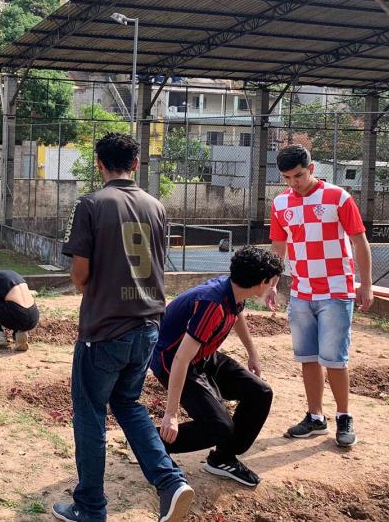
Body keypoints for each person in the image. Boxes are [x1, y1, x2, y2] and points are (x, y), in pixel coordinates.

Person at [54, 132, 193, 522]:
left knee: (89, 414)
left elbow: (80, 274)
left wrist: (87, 283)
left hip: (104, 330)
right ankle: (169, 482)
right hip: (147, 326)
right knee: (128, 404)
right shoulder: (156, 206)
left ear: (99, 164)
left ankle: (90, 507)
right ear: (136, 164)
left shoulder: (92, 204)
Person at [267, 144, 373, 448]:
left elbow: (359, 242)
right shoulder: (280, 203)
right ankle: (315, 417)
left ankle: (343, 416)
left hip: (336, 291)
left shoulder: (338, 197)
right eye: (287, 178)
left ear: (311, 169)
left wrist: (366, 284)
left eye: (298, 175)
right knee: (308, 357)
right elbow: (279, 247)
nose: (293, 183)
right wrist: (273, 283)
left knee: (335, 359)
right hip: (301, 292)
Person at [152, 246, 283, 487]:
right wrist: (170, 414)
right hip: (173, 361)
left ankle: (223, 458)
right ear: (261, 282)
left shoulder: (234, 290)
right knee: (219, 427)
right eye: (272, 282)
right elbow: (181, 359)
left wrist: (252, 353)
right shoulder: (212, 304)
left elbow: (238, 315)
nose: (273, 286)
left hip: (203, 356)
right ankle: (151, 445)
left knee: (260, 393)